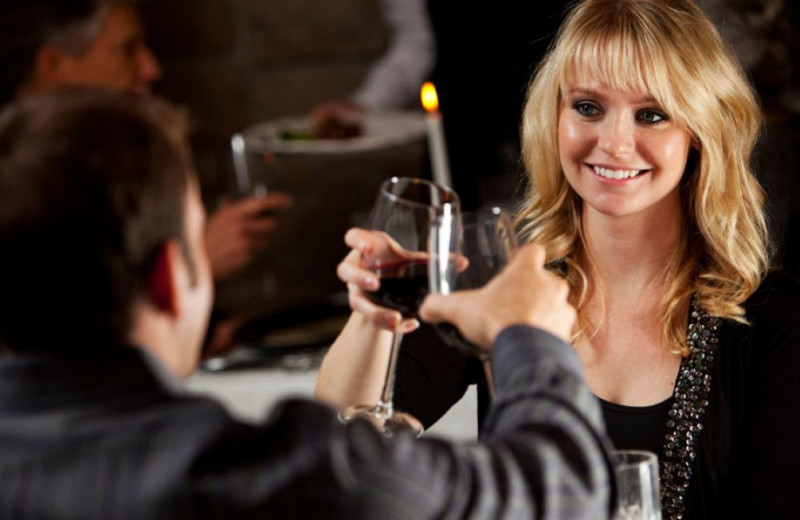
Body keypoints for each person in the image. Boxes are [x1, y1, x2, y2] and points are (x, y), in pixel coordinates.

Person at [0, 89, 613, 518]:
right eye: (197, 233)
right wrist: (530, 340)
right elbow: (562, 492)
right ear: (168, 277)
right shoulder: (270, 477)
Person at [317, 0, 800, 518]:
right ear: (555, 118)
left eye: (652, 114)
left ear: (700, 134)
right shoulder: (504, 287)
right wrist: (375, 316)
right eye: (588, 107)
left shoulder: (773, 321)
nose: (613, 143)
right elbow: (340, 450)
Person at [0, 0, 292, 286]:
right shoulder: (18, 180)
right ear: (54, 63)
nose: (151, 69)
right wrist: (194, 266)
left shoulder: (107, 154)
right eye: (127, 50)